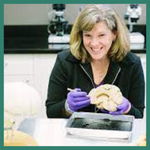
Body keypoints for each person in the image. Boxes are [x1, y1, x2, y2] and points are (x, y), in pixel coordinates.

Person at [45, 5, 145, 118]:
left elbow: (139, 116)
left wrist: (127, 108)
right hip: (76, 132)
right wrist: (67, 106)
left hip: (116, 132)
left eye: (101, 35)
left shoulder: (131, 64)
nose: (94, 43)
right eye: (88, 35)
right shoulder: (65, 61)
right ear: (81, 36)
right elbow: (51, 111)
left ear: (114, 34)